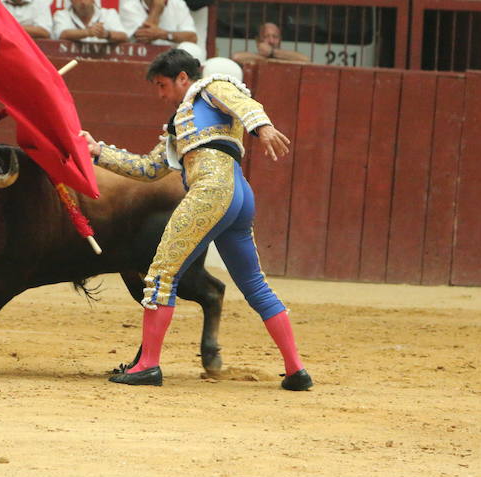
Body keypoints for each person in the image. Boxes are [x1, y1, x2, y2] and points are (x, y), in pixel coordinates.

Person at [80, 49, 313, 391]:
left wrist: (262, 128)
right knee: (254, 283)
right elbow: (149, 169)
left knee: (160, 274)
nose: (160, 94)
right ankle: (296, 370)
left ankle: (148, 365)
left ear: (183, 78)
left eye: (162, 85)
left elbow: (242, 102)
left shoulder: (210, 87)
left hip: (212, 189)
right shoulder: (180, 121)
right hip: (237, 195)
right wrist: (99, 151)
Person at [52, 0, 128, 43]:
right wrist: (88, 32)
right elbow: (62, 34)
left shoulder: (109, 14)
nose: (82, 1)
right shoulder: (61, 15)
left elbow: (124, 36)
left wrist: (106, 34)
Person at [232, 22, 309, 65]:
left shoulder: (287, 57)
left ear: (280, 40)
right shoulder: (252, 57)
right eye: (266, 36)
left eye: (275, 37)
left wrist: (272, 53)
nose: (271, 41)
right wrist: (268, 58)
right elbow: (236, 57)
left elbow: (306, 60)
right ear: (258, 41)